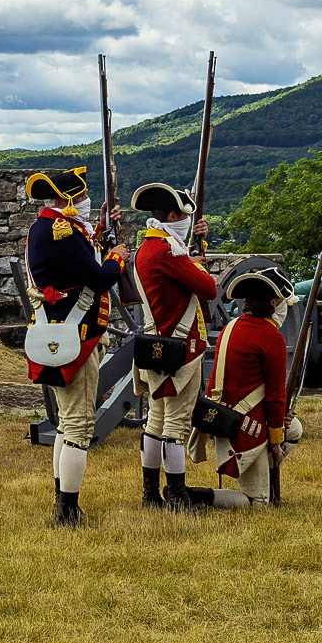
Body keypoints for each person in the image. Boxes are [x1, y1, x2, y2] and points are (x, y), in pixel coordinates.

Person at [24, 166, 129, 526]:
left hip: (57, 334)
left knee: (68, 425)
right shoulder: (63, 231)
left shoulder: (46, 226)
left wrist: (99, 228)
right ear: (68, 200)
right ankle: (67, 510)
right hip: (76, 339)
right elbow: (99, 278)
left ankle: (62, 501)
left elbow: (76, 262)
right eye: (82, 197)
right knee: (80, 426)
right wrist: (118, 255)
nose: (84, 202)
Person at [130, 182, 216, 509]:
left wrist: (193, 250)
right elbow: (207, 288)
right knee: (176, 425)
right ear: (170, 215)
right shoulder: (168, 250)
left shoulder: (149, 247)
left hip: (156, 346)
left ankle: (151, 493)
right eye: (182, 215)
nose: (185, 220)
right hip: (181, 348)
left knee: (156, 420)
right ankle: (177, 495)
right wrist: (196, 264)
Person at [189, 265, 304, 508]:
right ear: (273, 302)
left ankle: (264, 471)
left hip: (223, 417)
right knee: (258, 503)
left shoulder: (231, 328)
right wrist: (274, 443)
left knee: (293, 427)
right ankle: (195, 496)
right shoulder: (272, 337)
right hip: (245, 428)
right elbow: (274, 396)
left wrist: (281, 423)